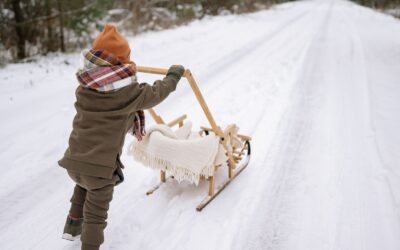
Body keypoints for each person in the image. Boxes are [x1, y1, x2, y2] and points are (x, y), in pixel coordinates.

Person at [58, 23, 185, 250]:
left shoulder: (85, 85)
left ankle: (72, 227)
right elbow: (156, 93)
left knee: (82, 185)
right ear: (121, 62)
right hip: (100, 170)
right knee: (97, 215)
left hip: (73, 161)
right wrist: (173, 77)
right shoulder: (128, 93)